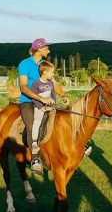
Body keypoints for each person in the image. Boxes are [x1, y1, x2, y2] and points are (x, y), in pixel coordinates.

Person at [18, 38, 70, 175]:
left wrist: (63, 96)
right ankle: (35, 160)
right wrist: (41, 98)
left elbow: (54, 84)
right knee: (31, 125)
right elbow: (23, 87)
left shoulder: (45, 65)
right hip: (28, 101)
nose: (49, 50)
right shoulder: (24, 64)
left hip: (46, 101)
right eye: (46, 47)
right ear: (39, 49)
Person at [30, 61, 57, 157]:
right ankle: (34, 142)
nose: (53, 74)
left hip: (50, 106)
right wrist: (41, 107)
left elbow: (53, 95)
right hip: (39, 107)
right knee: (37, 121)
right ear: (45, 72)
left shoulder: (51, 83)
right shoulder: (36, 83)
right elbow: (33, 97)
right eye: (52, 72)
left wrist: (53, 103)